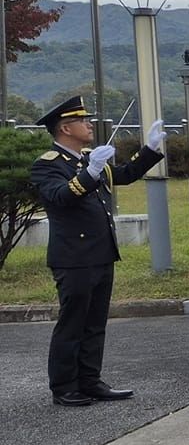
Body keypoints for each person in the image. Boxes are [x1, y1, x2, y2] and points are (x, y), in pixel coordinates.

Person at [29, 97, 164, 407]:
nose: (90, 124)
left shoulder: (90, 157)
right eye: (83, 120)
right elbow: (61, 196)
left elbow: (126, 174)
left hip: (101, 252)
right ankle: (64, 386)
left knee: (95, 322)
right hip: (73, 256)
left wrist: (151, 149)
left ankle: (90, 380)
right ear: (65, 127)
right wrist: (90, 172)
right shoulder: (48, 165)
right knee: (73, 322)